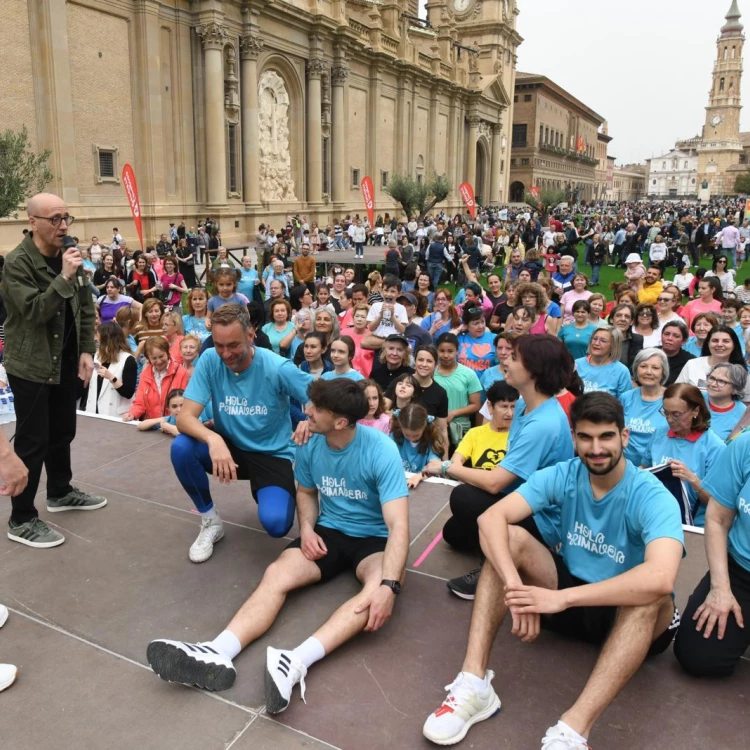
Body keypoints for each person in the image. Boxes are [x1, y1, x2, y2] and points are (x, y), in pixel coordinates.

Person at [423, 392, 684, 749]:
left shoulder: (651, 495)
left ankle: (573, 731)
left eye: (606, 436)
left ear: (624, 437)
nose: (596, 448)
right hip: (567, 595)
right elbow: (490, 518)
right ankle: (474, 683)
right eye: (586, 437)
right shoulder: (564, 474)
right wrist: (516, 590)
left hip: (621, 610)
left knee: (651, 597)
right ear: (574, 438)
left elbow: (661, 577)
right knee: (508, 538)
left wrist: (562, 598)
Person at [147, 378, 408, 710]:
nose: (307, 411)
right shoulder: (310, 441)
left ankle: (296, 661)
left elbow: (399, 523)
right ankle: (219, 650)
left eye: (316, 409)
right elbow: (307, 492)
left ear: (341, 422)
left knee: (374, 593)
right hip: (329, 531)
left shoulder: (381, 450)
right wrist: (308, 529)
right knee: (277, 573)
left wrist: (390, 585)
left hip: (375, 539)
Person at [425, 335, 575, 599]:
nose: (505, 361)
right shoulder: (523, 408)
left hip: (543, 517)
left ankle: (495, 567)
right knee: (453, 533)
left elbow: (495, 482)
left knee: (463, 497)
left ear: (534, 371)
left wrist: (448, 467)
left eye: (514, 358)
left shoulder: (544, 423)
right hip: (518, 498)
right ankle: (497, 541)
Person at [0, 192, 107, 549]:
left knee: (63, 430)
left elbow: (85, 305)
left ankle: (59, 491)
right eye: (55, 219)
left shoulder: (70, 257)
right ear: (32, 222)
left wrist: (87, 350)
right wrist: (63, 276)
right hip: (31, 364)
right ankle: (22, 517)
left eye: (67, 218)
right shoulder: (17, 264)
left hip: (65, 358)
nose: (63, 226)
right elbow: (33, 312)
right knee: (33, 441)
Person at [168, 304, 313, 562]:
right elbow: (185, 418)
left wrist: (310, 420)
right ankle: (210, 521)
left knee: (277, 525)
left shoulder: (278, 367)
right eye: (219, 344)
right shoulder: (210, 359)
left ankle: (275, 493)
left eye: (233, 345)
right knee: (182, 447)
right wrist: (213, 439)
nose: (225, 353)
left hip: (271, 454)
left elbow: (324, 401)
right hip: (229, 448)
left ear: (250, 335)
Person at [673, 431, 750, 677]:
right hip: (741, 569)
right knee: (697, 657)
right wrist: (720, 589)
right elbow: (717, 519)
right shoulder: (745, 445)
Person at [645, 383, 726, 527]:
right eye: (666, 412)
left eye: (676, 414)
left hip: (693, 527)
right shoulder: (660, 433)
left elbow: (720, 504)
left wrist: (691, 479)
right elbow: (645, 467)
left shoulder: (714, 447)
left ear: (695, 411)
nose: (669, 419)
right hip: (656, 517)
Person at [620, 348, 669, 467]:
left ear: (663, 372)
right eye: (643, 366)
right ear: (636, 369)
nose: (648, 372)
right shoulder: (626, 397)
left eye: (655, 368)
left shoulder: (671, 400)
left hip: (656, 468)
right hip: (625, 466)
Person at [123, 337, 190, 422]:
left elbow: (186, 403)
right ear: (148, 359)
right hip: (152, 426)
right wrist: (132, 414)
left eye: (161, 356)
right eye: (154, 358)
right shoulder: (144, 375)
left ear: (168, 352)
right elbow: (140, 403)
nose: (158, 361)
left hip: (174, 424)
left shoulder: (181, 372)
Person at [677, 324, 749, 400]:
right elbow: (677, 392)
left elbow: (746, 404)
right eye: (715, 341)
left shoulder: (741, 371)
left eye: (726, 341)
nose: (720, 344)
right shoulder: (692, 364)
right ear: (708, 343)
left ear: (734, 345)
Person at [83, 322, 137, 418]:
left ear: (107, 340)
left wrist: (112, 378)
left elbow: (128, 393)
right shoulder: (95, 356)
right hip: (92, 413)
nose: (95, 339)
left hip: (115, 416)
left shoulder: (128, 360)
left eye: (98, 337)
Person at [391, 403, 444, 489]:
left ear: (424, 427)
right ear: (400, 426)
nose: (411, 438)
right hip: (399, 482)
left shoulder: (431, 439)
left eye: (416, 435)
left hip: (425, 484)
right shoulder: (395, 437)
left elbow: (435, 467)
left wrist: (418, 477)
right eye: (407, 435)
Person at [575, 327, 632, 399]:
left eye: (603, 341)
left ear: (613, 345)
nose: (596, 343)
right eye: (595, 339)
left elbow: (625, 401)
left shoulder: (622, 371)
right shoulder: (576, 364)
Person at [703, 363, 748, 440]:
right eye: (712, 378)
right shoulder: (695, 398)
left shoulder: (743, 413)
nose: (713, 384)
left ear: (735, 389)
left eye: (721, 381)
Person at [456, 307, 497, 375]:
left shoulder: (494, 338)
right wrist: (458, 330)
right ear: (466, 325)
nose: (481, 326)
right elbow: (444, 340)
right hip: (463, 382)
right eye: (476, 323)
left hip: (487, 383)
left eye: (483, 322)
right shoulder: (459, 338)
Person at [658, 320, 695, 385]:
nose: (669, 338)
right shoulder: (649, 354)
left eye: (676, 336)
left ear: (684, 341)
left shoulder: (690, 361)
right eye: (666, 334)